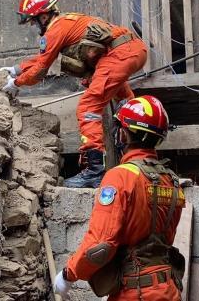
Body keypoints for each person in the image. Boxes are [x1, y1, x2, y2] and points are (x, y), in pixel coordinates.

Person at [0, 0, 147, 188]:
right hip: (130, 50)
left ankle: (95, 171)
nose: (34, 25)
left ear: (44, 15)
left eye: (34, 21)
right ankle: (139, 160)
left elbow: (40, 71)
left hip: (118, 55)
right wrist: (17, 69)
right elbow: (44, 59)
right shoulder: (65, 23)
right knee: (126, 107)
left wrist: (16, 83)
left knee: (88, 107)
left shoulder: (55, 31)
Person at [53, 95, 185, 301]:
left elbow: (101, 243)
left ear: (124, 135)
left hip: (135, 292)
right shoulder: (171, 180)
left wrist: (68, 275)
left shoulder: (120, 176)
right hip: (169, 289)